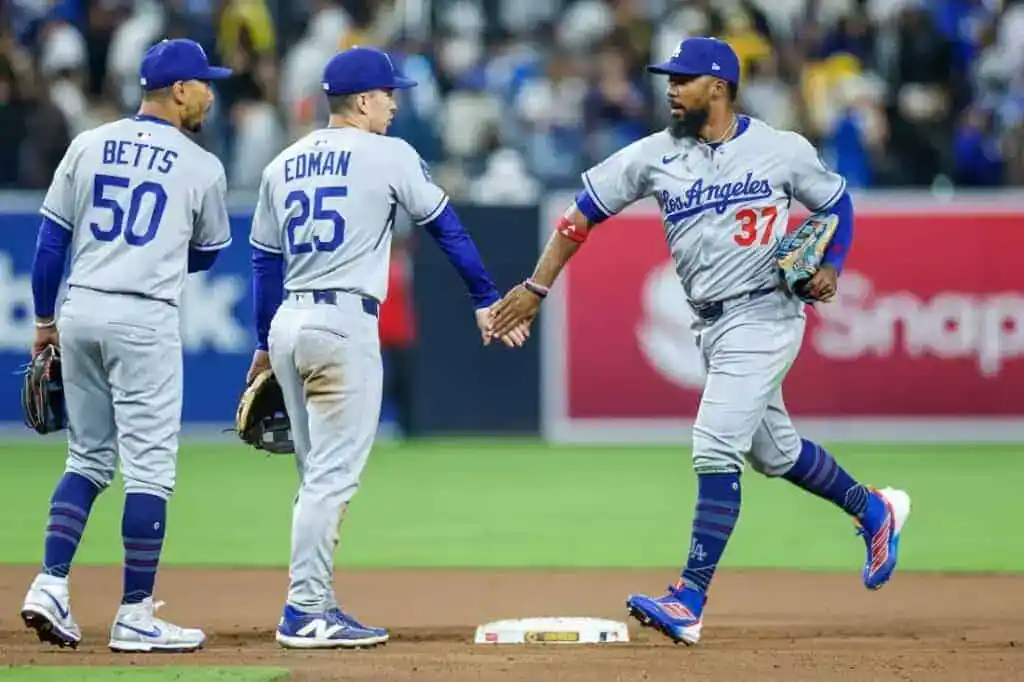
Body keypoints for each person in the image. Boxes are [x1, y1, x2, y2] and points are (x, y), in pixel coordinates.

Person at [488, 37, 911, 646]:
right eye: (670, 78)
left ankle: (688, 597)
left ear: (718, 86)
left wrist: (833, 266)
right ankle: (875, 510)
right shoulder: (653, 155)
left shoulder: (779, 150)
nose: (670, 87)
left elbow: (837, 201)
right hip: (710, 322)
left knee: (715, 445)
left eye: (683, 79)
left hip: (767, 313)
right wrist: (536, 285)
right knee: (774, 453)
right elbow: (577, 217)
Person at [246, 45, 527, 650]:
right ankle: (302, 611)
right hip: (342, 325)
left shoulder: (282, 163)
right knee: (330, 480)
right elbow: (445, 225)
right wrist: (484, 297)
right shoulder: (388, 153)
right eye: (389, 94)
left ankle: (316, 600)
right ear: (365, 100)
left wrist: (262, 345)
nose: (396, 104)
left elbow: (264, 265)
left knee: (313, 476)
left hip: (290, 320)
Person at [20, 38, 233, 653]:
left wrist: (43, 320)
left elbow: (49, 242)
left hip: (80, 307)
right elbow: (211, 250)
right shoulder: (201, 165)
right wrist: (160, 251)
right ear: (180, 91)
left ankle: (50, 582)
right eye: (204, 82)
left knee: (85, 460)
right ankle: (136, 611)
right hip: (143, 318)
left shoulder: (87, 143)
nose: (210, 92)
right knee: (149, 471)